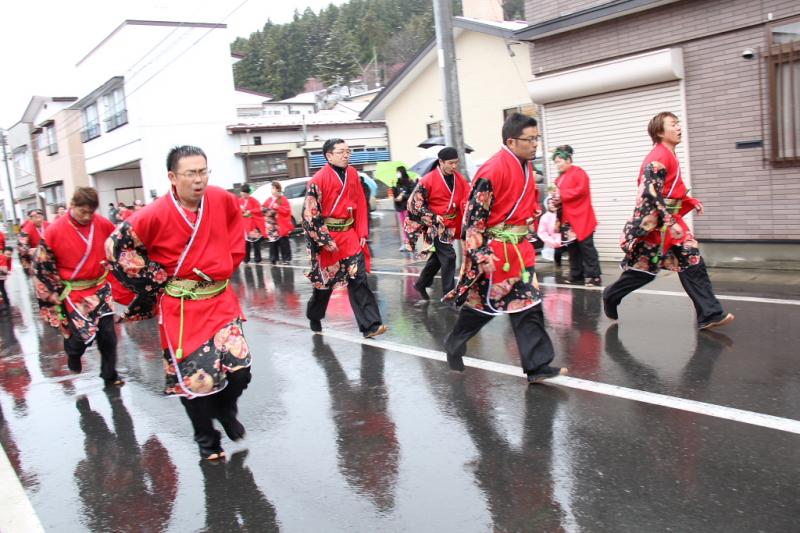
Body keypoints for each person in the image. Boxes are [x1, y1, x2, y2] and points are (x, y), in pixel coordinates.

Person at [106, 145, 252, 461]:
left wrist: (226, 261)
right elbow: (116, 247)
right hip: (183, 309)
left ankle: (226, 409)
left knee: (240, 371)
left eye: (203, 171)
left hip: (220, 300)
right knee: (197, 381)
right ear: (173, 177)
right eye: (191, 173)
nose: (199, 179)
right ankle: (207, 439)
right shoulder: (154, 214)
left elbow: (234, 230)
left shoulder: (221, 199)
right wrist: (155, 277)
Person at [442, 113, 567, 383]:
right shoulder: (492, 170)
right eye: (529, 139)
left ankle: (537, 366)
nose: (535, 144)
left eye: (537, 138)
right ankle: (454, 341)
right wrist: (480, 253)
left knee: (528, 304)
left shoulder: (526, 166)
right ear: (511, 141)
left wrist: (543, 210)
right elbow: (473, 219)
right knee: (484, 308)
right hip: (496, 250)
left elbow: (524, 204)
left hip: (519, 249)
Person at [602, 112, 734, 330]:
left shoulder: (669, 154)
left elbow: (672, 190)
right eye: (673, 124)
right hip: (657, 224)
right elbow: (649, 192)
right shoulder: (658, 157)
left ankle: (710, 314)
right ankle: (611, 295)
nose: (679, 127)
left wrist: (689, 201)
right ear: (660, 132)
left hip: (669, 222)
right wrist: (669, 221)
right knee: (644, 271)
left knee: (692, 262)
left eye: (678, 123)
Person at [33, 187, 124, 386]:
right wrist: (51, 291)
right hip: (74, 291)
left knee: (108, 333)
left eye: (91, 212)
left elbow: (119, 244)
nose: (87, 217)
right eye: (83, 212)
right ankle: (73, 352)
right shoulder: (54, 231)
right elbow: (41, 265)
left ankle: (109, 374)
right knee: (83, 336)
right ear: (72, 205)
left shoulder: (102, 224)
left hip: (100, 287)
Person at [302, 138, 387, 338]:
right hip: (329, 236)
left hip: (349, 235)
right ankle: (314, 314)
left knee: (358, 279)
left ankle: (370, 325)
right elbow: (310, 214)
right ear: (329, 155)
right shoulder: (317, 180)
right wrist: (324, 240)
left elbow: (360, 203)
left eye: (348, 151)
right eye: (341, 152)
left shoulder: (353, 173)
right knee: (325, 284)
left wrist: (362, 231)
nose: (346, 155)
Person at [405, 147, 469, 300]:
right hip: (436, 224)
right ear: (441, 162)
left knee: (439, 258)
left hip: (451, 222)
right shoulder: (427, 180)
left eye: (456, 163)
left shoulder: (459, 178)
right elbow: (414, 203)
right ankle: (449, 294)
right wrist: (432, 216)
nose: (454, 166)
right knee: (449, 256)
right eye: (450, 163)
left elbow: (467, 196)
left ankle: (421, 283)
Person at [552, 145, 602, 286]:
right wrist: (555, 202)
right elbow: (559, 197)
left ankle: (595, 276)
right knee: (573, 249)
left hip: (582, 216)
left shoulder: (579, 173)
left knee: (587, 248)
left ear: (568, 160)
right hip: (568, 218)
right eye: (555, 162)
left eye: (559, 161)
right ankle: (576, 275)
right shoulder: (559, 178)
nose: (557, 164)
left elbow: (581, 190)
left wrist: (561, 195)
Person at [263, 181, 293, 264]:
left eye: (273, 188)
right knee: (273, 242)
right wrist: (267, 211)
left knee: (283, 242)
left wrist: (278, 207)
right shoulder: (269, 199)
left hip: (280, 224)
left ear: (278, 189)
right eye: (272, 188)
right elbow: (263, 208)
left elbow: (287, 210)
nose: (272, 190)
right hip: (271, 225)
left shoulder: (283, 199)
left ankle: (286, 258)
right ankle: (273, 258)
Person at [17, 208, 49, 275]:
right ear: (31, 219)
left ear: (43, 217)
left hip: (49, 257)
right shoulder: (26, 230)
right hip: (35, 259)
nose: (38, 219)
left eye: (40, 217)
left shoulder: (49, 225)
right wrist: (29, 250)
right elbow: (21, 246)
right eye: (35, 217)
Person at [238, 184, 265, 264]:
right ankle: (246, 259)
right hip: (244, 225)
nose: (243, 196)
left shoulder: (253, 200)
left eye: (245, 194)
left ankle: (258, 259)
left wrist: (250, 211)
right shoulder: (239, 201)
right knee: (246, 243)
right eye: (242, 194)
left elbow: (259, 209)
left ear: (248, 193)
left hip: (253, 224)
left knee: (256, 242)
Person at [391, 166, 415, 251]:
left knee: (408, 226)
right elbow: (396, 195)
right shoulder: (398, 183)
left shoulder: (409, 182)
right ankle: (406, 242)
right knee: (404, 226)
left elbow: (413, 194)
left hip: (407, 207)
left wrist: (403, 196)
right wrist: (393, 187)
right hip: (400, 208)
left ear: (402, 172)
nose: (397, 174)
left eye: (398, 172)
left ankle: (409, 243)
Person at [537, 197, 563, 263]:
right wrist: (552, 241)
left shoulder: (562, 214)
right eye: (549, 203)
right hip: (555, 242)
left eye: (554, 202)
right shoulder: (545, 217)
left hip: (566, 241)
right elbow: (542, 232)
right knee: (557, 254)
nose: (552, 204)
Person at [0, 247, 12, 313]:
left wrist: (7, 272)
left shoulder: (9, 259)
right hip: (2, 273)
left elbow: (9, 269)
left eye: (10, 255)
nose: (8, 256)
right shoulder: (2, 257)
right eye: (7, 254)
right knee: (2, 288)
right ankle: (6, 303)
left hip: (2, 275)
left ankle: (6, 303)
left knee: (2, 287)